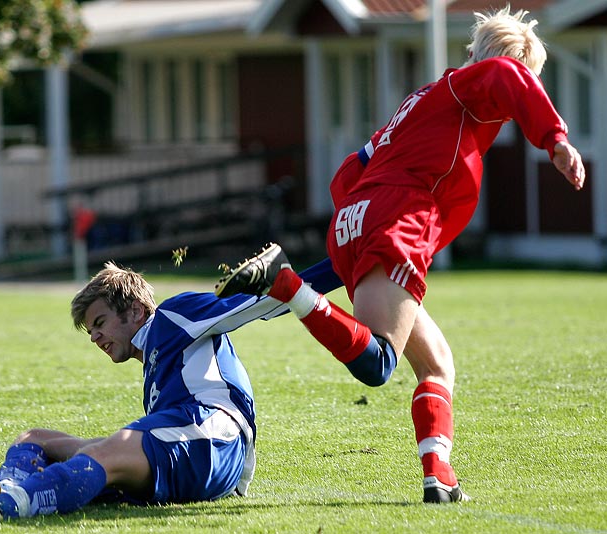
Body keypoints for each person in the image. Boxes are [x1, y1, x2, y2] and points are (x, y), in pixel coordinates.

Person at [214, 6, 585, 504]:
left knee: (437, 364)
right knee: (378, 363)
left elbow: (350, 168)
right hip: (397, 219)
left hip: (358, 216)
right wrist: (555, 139)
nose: (518, 97)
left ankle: (439, 474)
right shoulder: (473, 87)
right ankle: (285, 283)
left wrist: (356, 229)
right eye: (526, 83)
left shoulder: (424, 100)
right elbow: (503, 74)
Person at [0, 259, 340, 520]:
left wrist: (343, 264)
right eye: (90, 331)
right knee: (35, 439)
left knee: (106, 451)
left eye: (100, 322)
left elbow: (264, 301)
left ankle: (5, 506)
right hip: (186, 441)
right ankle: (4, 489)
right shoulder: (155, 368)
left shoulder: (174, 316)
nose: (94, 337)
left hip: (216, 440)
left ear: (137, 310)